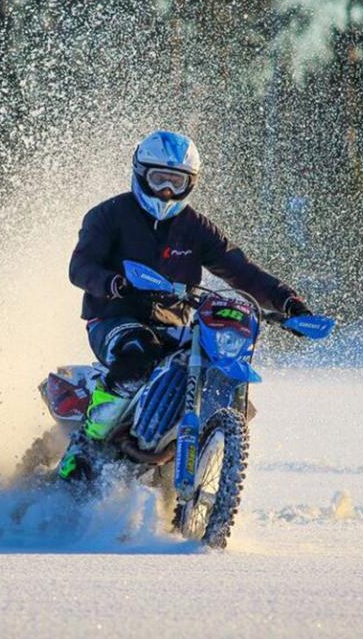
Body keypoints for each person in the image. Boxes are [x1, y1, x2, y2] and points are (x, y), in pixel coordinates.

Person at [58, 129, 312, 481]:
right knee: (137, 356)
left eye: (176, 182)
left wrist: (288, 301)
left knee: (220, 369)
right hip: (115, 317)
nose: (166, 190)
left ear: (190, 183)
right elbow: (80, 266)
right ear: (139, 173)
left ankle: (195, 455)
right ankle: (85, 443)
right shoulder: (109, 215)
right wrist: (112, 283)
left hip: (175, 322)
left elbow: (241, 270)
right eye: (158, 179)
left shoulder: (196, 228)